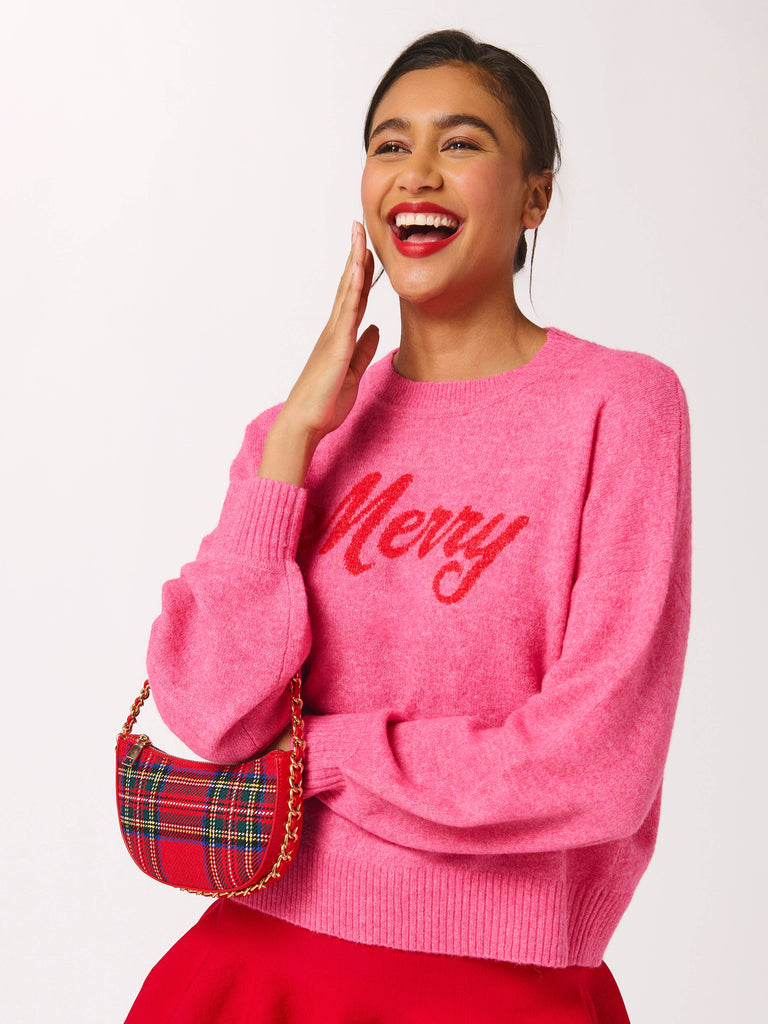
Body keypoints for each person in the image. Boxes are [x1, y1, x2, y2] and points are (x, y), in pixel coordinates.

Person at [124, 28, 692, 1024]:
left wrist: (324, 757)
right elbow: (211, 715)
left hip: (495, 984)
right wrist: (292, 444)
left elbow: (597, 766)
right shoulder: (293, 438)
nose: (416, 171)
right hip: (254, 966)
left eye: (460, 142)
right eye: (390, 144)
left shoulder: (618, 406)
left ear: (535, 197)